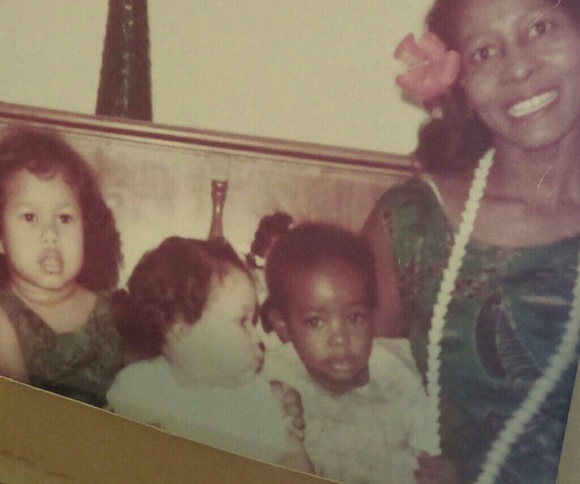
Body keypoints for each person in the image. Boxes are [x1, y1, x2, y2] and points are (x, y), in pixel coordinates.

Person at [363, 0, 580, 483]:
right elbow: (354, 406)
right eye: (485, 52)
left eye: (541, 28)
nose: (518, 68)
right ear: (460, 85)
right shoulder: (409, 224)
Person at [263, 222, 450, 484]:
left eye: (354, 317)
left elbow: (430, 453)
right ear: (283, 325)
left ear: (373, 312)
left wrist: (445, 475)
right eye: (315, 322)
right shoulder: (274, 382)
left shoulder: (401, 375)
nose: (340, 338)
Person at [107, 236, 312, 472]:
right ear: (179, 329)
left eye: (254, 321)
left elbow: (295, 463)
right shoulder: (139, 387)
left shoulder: (256, 396)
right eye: (242, 321)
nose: (258, 338)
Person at [0, 125, 123, 407]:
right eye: (30, 217)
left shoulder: (115, 313)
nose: (50, 233)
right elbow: (18, 415)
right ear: (1, 237)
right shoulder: (4, 321)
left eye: (64, 218)